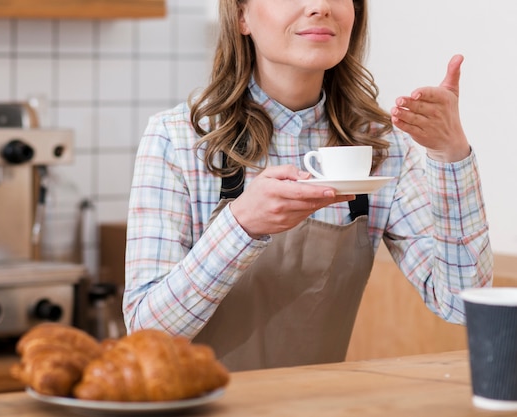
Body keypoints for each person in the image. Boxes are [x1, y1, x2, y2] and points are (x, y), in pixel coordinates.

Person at [123, 0, 493, 371]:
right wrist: (240, 226)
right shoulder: (178, 138)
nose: (319, 6)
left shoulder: (382, 146)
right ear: (241, 16)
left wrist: (451, 154)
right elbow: (147, 334)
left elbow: (460, 303)